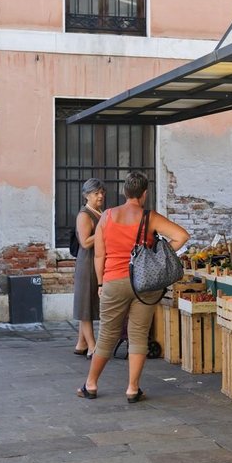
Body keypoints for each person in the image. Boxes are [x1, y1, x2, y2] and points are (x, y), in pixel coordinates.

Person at [78, 172, 189, 403]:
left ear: (124, 192)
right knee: (138, 335)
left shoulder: (107, 216)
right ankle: (132, 388)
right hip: (144, 283)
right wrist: (160, 253)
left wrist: (100, 283)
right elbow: (181, 236)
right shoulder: (150, 217)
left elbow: (99, 255)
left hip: (113, 280)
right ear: (144, 194)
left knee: (107, 335)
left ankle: (91, 384)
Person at [72, 178, 105, 359]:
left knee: (89, 302)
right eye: (96, 193)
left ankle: (81, 343)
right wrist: (103, 231)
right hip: (87, 263)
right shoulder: (84, 215)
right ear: (86, 195)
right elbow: (84, 242)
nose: (100, 196)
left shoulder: (99, 212)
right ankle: (92, 346)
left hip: (97, 262)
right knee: (86, 307)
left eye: (101, 192)